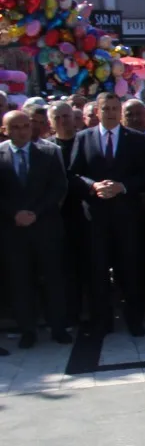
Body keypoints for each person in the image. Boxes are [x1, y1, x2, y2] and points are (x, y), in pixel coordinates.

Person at [68, 91, 145, 336]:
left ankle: (135, 320)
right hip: (95, 217)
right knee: (97, 270)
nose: (111, 113)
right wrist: (92, 186)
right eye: (106, 109)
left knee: (130, 269)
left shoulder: (135, 139)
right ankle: (102, 321)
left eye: (115, 108)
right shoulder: (83, 138)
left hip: (126, 216)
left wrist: (123, 186)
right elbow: (73, 174)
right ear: (97, 112)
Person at [0, 109, 70, 347]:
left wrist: (35, 213)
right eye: (15, 127)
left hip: (45, 227)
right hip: (13, 230)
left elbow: (58, 187)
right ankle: (27, 330)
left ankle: (58, 327)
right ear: (5, 130)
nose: (22, 132)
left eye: (25, 126)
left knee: (53, 278)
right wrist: (15, 213)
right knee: (20, 281)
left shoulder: (48, 152)